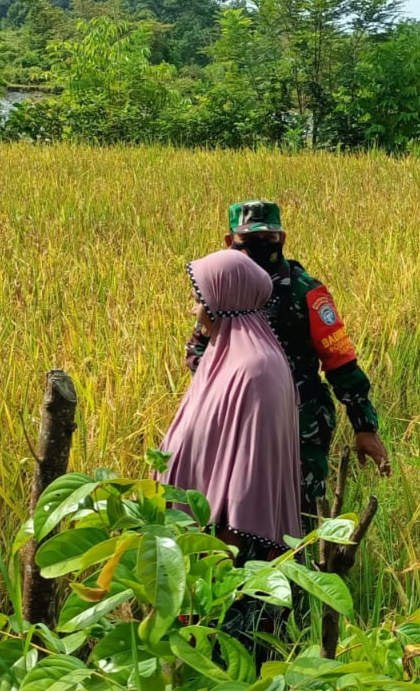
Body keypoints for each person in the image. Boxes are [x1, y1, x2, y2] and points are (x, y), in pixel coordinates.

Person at [186, 200, 391, 529]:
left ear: (282, 237)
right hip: (237, 422)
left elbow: (341, 362)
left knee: (299, 518)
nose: (261, 247)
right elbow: (197, 353)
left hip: (299, 423)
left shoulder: (306, 291)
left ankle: (299, 578)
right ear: (229, 242)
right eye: (250, 241)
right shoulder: (222, 290)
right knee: (235, 512)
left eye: (269, 239)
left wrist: (364, 426)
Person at [159, 249, 302, 561]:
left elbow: (249, 484)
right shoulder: (225, 356)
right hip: (198, 544)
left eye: (200, 299)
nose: (195, 309)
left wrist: (218, 567)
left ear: (225, 300)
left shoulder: (255, 370)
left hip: (227, 560)